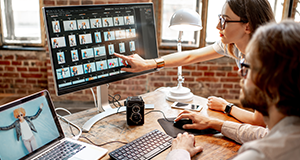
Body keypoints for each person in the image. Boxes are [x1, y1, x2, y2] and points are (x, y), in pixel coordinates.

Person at [114, 0, 274, 127]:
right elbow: (190, 56)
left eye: (224, 21)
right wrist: (148, 64)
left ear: (248, 26)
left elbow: (258, 121)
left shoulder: (266, 60)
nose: (218, 26)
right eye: (220, 18)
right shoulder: (233, 46)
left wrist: (226, 106)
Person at [167, 19, 300, 160]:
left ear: (271, 81)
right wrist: (214, 123)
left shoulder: (261, 155)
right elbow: (264, 134)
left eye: (248, 66)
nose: (239, 72)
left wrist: (180, 151)